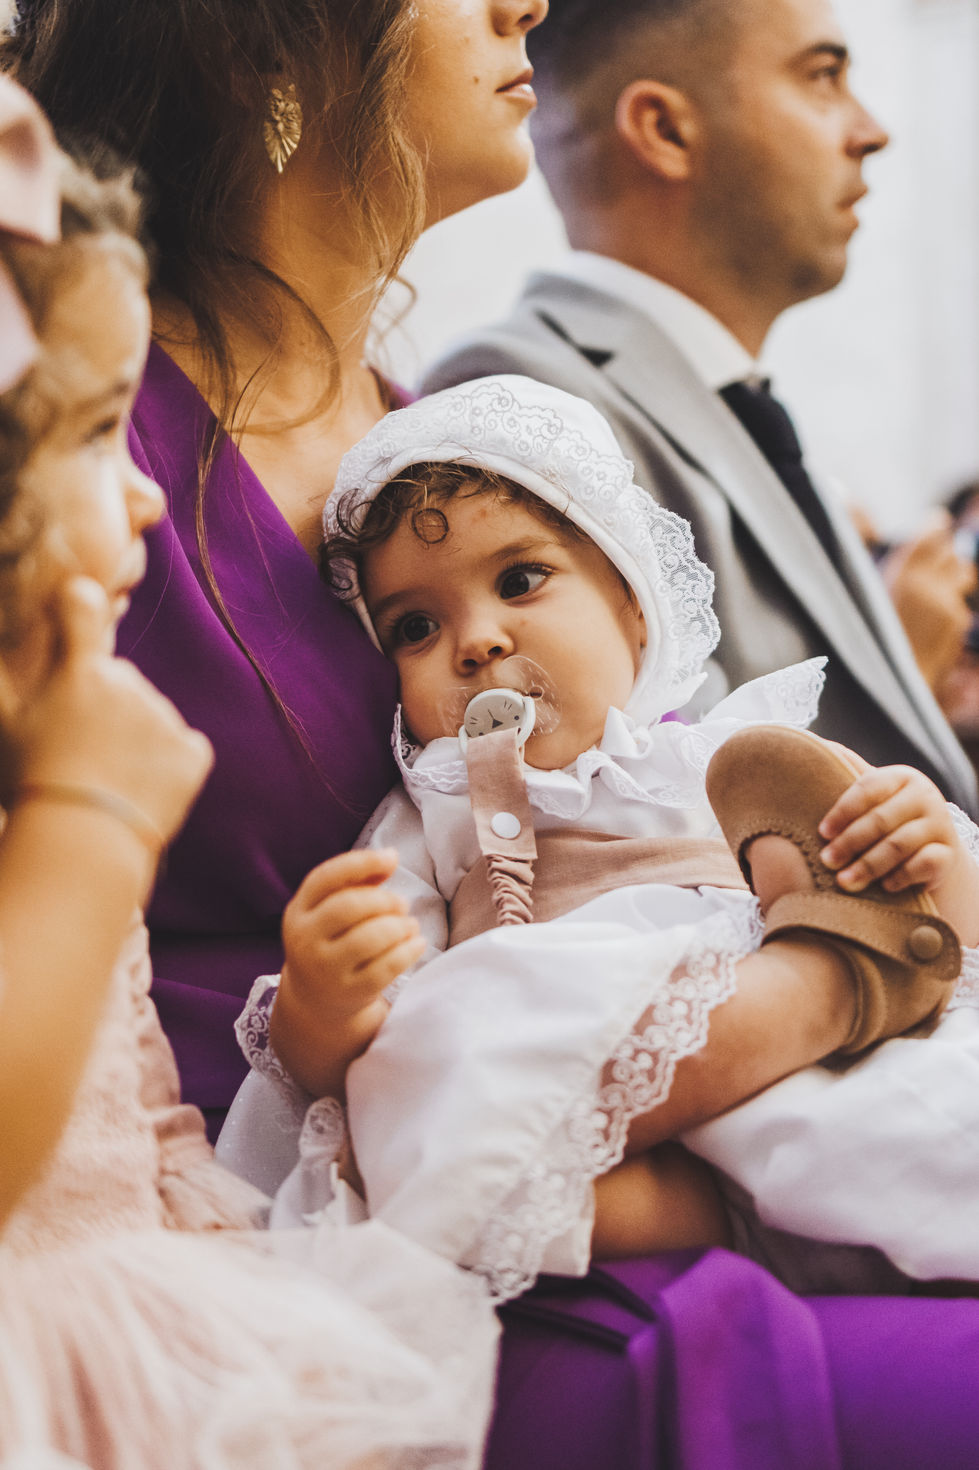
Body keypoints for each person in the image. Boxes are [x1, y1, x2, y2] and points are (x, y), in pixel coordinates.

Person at [218, 376, 978, 1302]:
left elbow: (949, 939)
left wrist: (920, 837)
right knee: (430, 1088)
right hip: (627, 1158)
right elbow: (358, 1061)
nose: (477, 641)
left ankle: (822, 977)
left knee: (928, 1114)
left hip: (800, 1086)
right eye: (415, 627)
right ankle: (821, 1004)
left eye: (519, 579)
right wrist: (323, 1001)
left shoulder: (726, 759)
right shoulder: (431, 817)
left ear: (631, 600)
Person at [0, 144, 500, 1470]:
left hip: (153, 1300)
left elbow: (140, 1117)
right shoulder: (63, 788)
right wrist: (89, 821)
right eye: (95, 429)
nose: (148, 489)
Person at [2, 0, 550, 1139]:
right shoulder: (64, 450)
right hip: (213, 1166)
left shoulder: (451, 453)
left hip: (531, 1096)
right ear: (266, 53)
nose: (526, 5)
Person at [421, 0, 979, 814]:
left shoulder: (740, 405)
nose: (869, 130)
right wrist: (914, 671)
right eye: (821, 77)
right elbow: (647, 815)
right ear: (665, 129)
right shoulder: (526, 400)